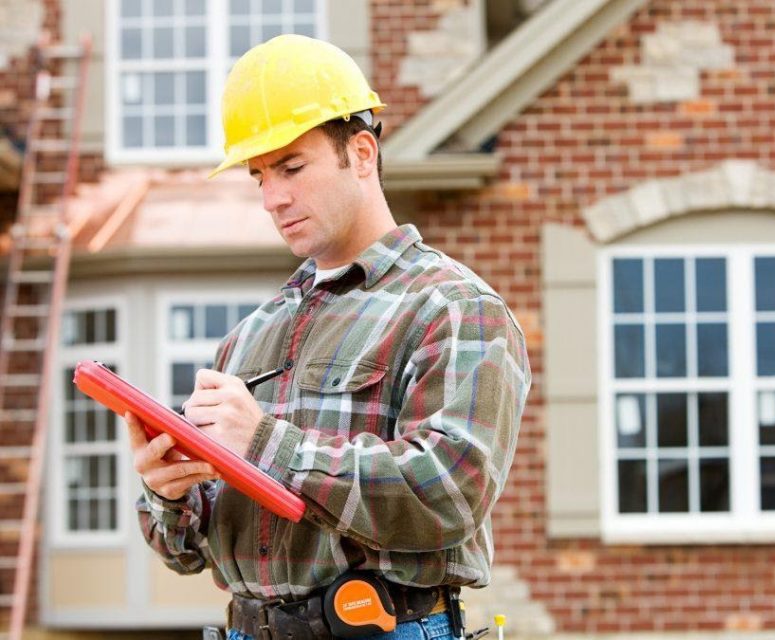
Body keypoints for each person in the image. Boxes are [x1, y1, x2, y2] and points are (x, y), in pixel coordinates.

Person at [125, 34, 531, 640]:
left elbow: (449, 491)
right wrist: (170, 493)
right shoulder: (249, 337)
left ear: (361, 153)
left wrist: (265, 441)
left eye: (291, 167)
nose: (272, 197)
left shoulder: (454, 308)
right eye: (258, 174)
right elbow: (188, 553)